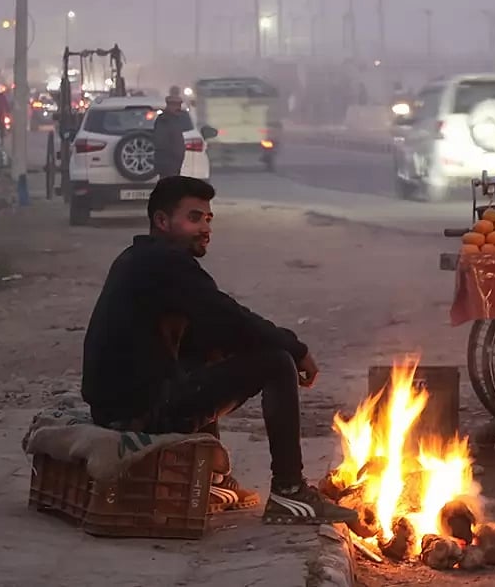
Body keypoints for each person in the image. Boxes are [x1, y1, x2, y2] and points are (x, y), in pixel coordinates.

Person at [80, 176, 357, 525]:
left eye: (209, 219)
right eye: (194, 218)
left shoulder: (141, 259)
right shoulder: (164, 263)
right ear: (162, 222)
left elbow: (215, 328)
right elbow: (227, 315)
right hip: (138, 411)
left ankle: (214, 480)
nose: (205, 228)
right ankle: (289, 492)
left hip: (121, 406)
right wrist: (294, 347)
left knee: (215, 348)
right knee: (275, 362)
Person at [153, 94, 188, 179]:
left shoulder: (176, 119)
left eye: (179, 105)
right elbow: (161, 141)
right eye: (175, 105)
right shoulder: (164, 120)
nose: (178, 108)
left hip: (175, 162)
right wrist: (174, 155)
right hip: (167, 162)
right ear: (169, 105)